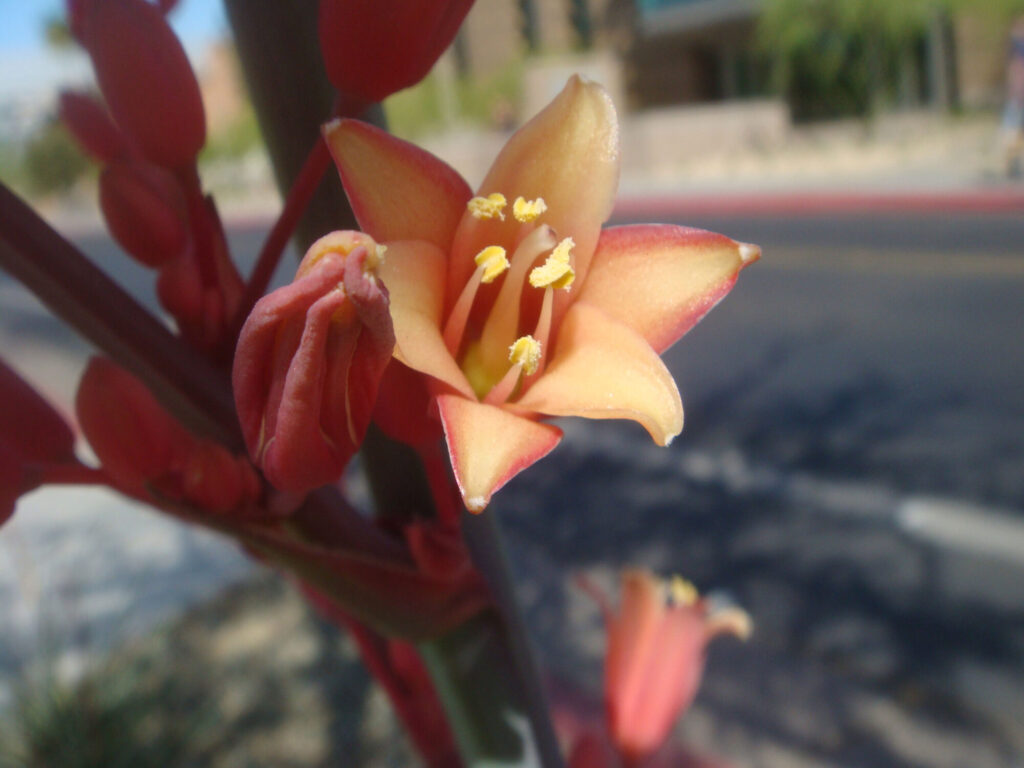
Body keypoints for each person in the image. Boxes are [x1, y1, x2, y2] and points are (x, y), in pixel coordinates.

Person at [1002, 15, 1024, 177]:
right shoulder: (1017, 47)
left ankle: (1012, 163)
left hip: (1017, 96)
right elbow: (1016, 71)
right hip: (1018, 97)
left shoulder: (1017, 47)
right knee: (1013, 130)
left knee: (1014, 130)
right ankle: (1011, 163)